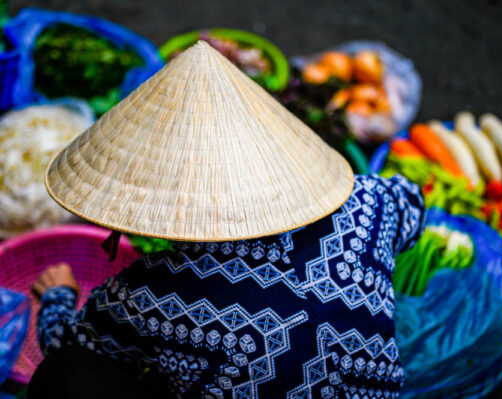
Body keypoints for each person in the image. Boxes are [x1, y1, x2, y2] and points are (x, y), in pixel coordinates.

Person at [32, 41, 424, 399]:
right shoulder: (371, 201)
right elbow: (413, 206)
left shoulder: (148, 293)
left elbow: (66, 345)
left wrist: (58, 295)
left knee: (65, 376)